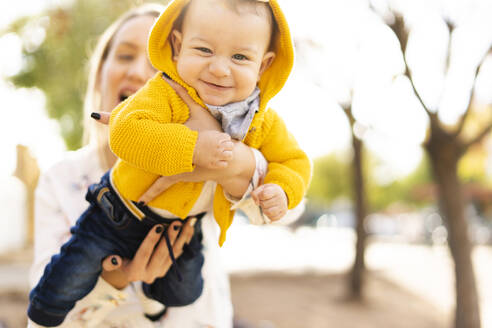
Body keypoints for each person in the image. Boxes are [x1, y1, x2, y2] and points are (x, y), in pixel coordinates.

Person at [28, 0, 311, 326]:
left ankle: (155, 300)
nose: (138, 71)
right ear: (100, 68)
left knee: (181, 289)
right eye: (124, 55)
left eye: (152, 61)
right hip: (114, 215)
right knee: (56, 293)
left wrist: (231, 162)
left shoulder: (247, 122)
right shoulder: (62, 179)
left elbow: (288, 204)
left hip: (191, 282)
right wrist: (117, 279)